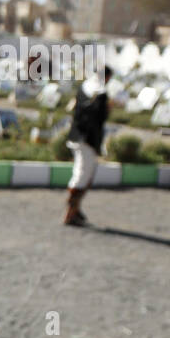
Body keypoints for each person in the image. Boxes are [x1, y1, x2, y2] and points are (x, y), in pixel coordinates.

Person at [62, 70, 111, 227]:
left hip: (77, 136)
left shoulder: (85, 88)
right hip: (87, 140)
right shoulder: (99, 93)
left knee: (83, 174)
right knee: (83, 176)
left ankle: (75, 209)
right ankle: (71, 211)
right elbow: (99, 118)